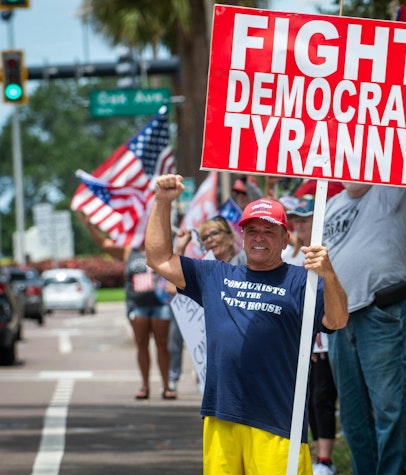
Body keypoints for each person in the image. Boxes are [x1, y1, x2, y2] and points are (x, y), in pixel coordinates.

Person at [145, 174, 348, 474]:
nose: (258, 237)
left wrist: (329, 275)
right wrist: (162, 202)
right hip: (221, 414)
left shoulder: (302, 282)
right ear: (242, 236)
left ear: (284, 238)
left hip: (277, 421)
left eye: (269, 231)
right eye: (251, 230)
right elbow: (159, 258)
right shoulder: (215, 275)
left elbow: (337, 319)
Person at [323, 183, 406, 475]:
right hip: (338, 320)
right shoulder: (331, 203)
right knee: (352, 415)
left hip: (380, 314)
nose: (351, 167)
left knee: (390, 409)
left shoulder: (388, 190)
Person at [77, 212, 175, 400]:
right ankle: (145, 386)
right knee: (141, 345)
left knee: (162, 346)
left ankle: (166, 385)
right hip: (137, 305)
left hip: (160, 304)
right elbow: (104, 245)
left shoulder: (161, 248)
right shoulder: (129, 250)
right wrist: (90, 226)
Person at [282, 196, 338, 475]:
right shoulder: (286, 254)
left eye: (305, 220)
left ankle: (325, 459)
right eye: (297, 220)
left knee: (321, 399)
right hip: (295, 343)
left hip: (325, 340)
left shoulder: (326, 252)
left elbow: (335, 292)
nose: (300, 225)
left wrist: (316, 325)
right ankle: (306, 456)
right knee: (300, 402)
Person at [167, 216, 247, 391]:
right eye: (204, 237)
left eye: (214, 233)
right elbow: (171, 287)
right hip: (216, 351)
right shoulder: (204, 269)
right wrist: (180, 246)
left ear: (231, 237)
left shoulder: (245, 261)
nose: (210, 239)